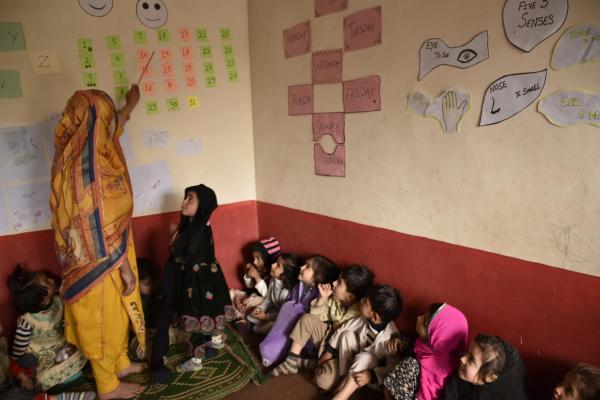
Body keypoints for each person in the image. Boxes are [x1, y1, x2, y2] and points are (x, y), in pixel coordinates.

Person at [50, 85, 146, 400]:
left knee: (119, 312)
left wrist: (129, 106)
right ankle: (108, 387)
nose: (109, 126)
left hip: (114, 249)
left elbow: (113, 126)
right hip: (98, 261)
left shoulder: (88, 146)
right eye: (105, 120)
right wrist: (123, 269)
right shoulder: (83, 171)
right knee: (102, 320)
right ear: (95, 123)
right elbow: (95, 227)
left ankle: (119, 362)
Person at [151, 184, 234, 380]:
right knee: (206, 312)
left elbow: (184, 253)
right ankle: (214, 341)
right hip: (203, 282)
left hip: (197, 284)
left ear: (203, 205)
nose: (183, 203)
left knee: (197, 316)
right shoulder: (197, 226)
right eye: (185, 197)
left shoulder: (198, 231)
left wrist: (173, 241)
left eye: (190, 199)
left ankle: (195, 360)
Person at [271, 264, 374, 376]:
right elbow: (315, 318)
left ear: (349, 297)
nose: (334, 283)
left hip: (340, 355)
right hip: (325, 341)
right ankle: (291, 361)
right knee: (307, 319)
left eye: (339, 283)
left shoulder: (361, 313)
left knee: (323, 380)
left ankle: (309, 364)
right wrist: (322, 298)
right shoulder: (335, 301)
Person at [7, 266, 87, 392]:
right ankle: (71, 385)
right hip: (42, 355)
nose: (52, 280)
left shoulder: (59, 301)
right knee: (45, 376)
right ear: (42, 300)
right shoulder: (27, 321)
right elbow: (18, 352)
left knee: (82, 352)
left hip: (62, 344)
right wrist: (20, 371)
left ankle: (73, 381)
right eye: (47, 282)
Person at [317, 284, 403, 399]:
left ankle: (341, 395)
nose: (362, 300)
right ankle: (344, 381)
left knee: (365, 357)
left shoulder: (391, 339)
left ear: (375, 316)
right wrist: (328, 353)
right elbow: (342, 330)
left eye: (366, 301)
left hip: (370, 376)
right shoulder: (363, 320)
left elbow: (392, 369)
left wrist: (372, 375)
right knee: (346, 335)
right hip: (352, 367)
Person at [259, 256, 338, 367]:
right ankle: (272, 347)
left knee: (296, 310)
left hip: (307, 343)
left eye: (307, 267)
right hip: (286, 330)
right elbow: (283, 314)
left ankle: (279, 353)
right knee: (288, 307)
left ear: (317, 277)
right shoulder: (297, 287)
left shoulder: (321, 296)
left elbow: (312, 322)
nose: (302, 267)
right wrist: (267, 315)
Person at [384, 303, 468, 400]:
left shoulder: (453, 374)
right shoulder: (423, 344)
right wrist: (399, 342)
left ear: (436, 335)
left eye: (425, 321)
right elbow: (409, 344)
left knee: (409, 364)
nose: (419, 318)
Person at [444, 333, 528, 400]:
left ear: (489, 377)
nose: (462, 359)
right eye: (467, 352)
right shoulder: (458, 379)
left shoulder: (500, 395)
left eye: (471, 360)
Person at [246, 253, 303, 335]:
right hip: (273, 310)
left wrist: (266, 316)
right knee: (252, 314)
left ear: (286, 274)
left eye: (278, 265)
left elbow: (283, 315)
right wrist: (261, 308)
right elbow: (269, 298)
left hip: (280, 317)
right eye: (275, 262)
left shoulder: (286, 292)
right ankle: (251, 324)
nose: (273, 265)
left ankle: (254, 329)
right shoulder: (274, 279)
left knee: (272, 326)